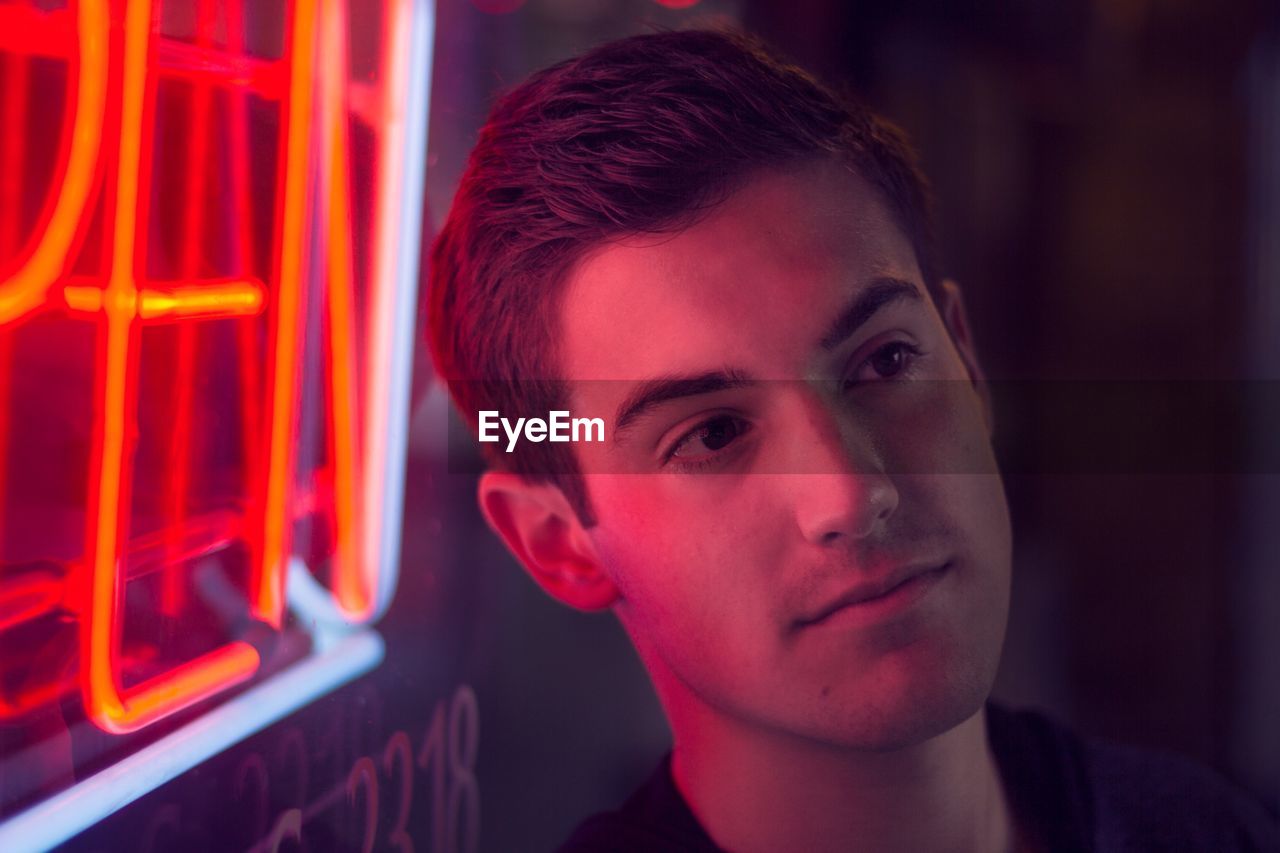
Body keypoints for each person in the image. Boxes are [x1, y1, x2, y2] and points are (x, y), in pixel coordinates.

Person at [427, 28, 1279, 852]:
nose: (851, 491)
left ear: (967, 359)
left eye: (886, 360)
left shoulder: (1200, 828)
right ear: (558, 543)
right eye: (713, 432)